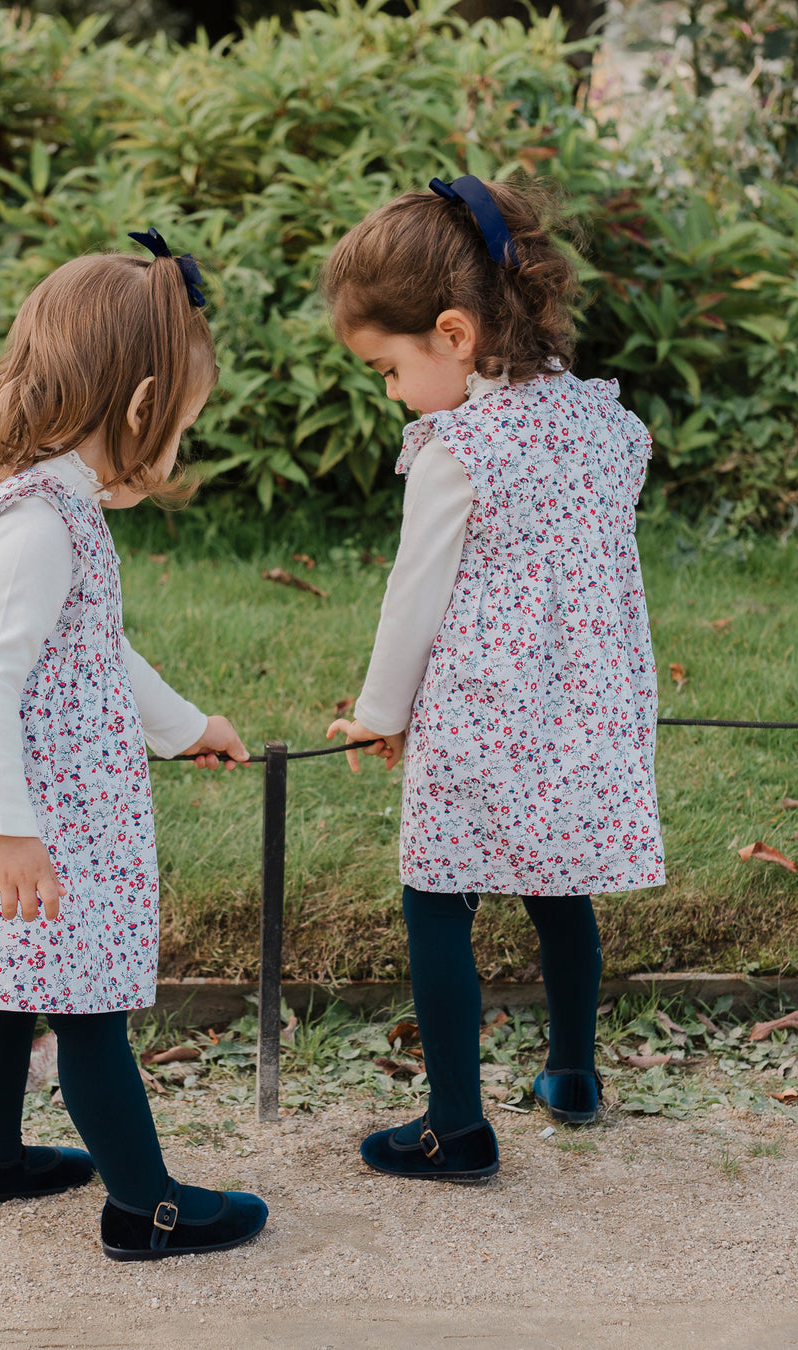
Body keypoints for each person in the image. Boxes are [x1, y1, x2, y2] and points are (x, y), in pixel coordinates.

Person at [0, 231, 268, 1258]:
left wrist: (186, 728)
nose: (173, 454)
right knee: (85, 1009)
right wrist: (3, 832)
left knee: (8, 979)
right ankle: (147, 1206)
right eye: (179, 429)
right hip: (39, 819)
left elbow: (96, 650)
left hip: (53, 807)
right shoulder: (38, 525)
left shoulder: (54, 503)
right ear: (138, 407)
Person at [324, 176, 665, 1180]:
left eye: (388, 369)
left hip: (483, 711)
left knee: (438, 894)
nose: (390, 392)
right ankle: (572, 1074)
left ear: (455, 335)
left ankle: (456, 1126)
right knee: (561, 890)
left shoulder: (456, 448)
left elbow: (413, 598)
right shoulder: (612, 428)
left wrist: (381, 713)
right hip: (588, 704)